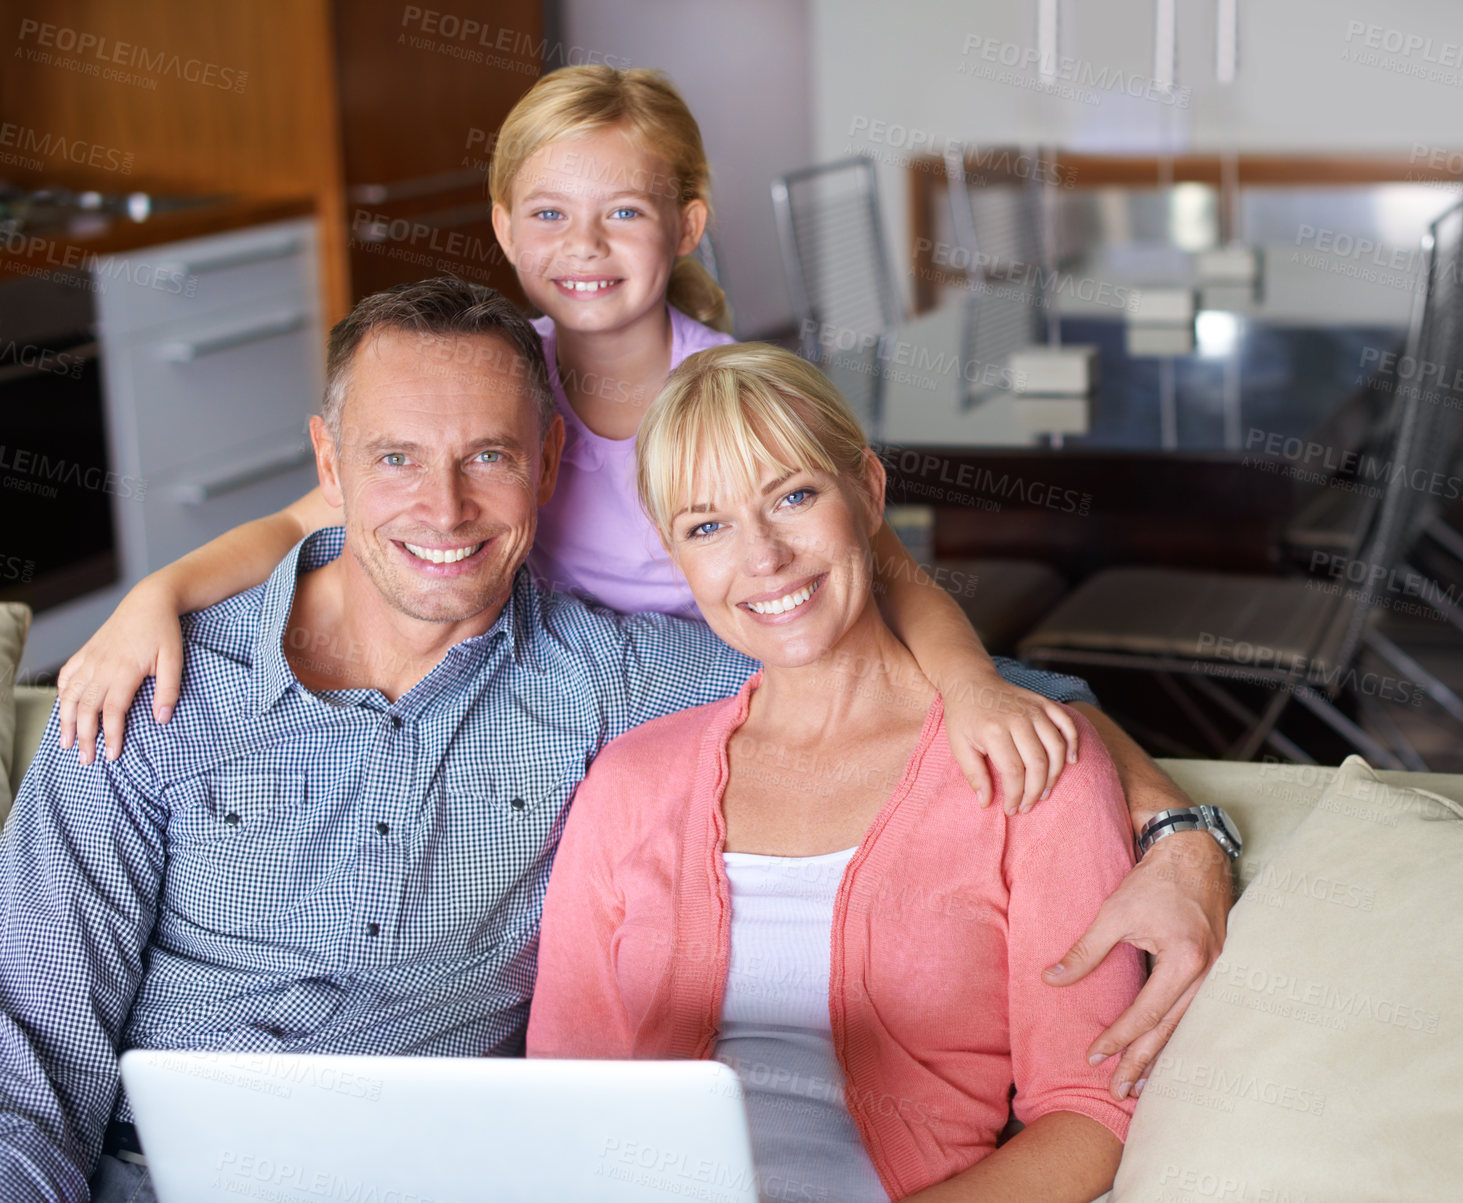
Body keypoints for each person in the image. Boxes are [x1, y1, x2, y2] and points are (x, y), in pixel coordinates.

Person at [54, 62, 1234, 1102]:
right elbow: (298, 523)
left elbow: (886, 601)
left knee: (963, 700)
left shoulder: (717, 401)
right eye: (553, 213)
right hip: (588, 713)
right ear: (507, 230)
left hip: (702, 682)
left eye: (623, 211)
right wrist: (151, 596)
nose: (586, 245)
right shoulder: (485, 383)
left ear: (686, 227)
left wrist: (1083, 763)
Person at [0, 280, 1104, 1203]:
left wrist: (1186, 830)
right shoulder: (148, 691)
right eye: (395, 459)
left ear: (551, 461)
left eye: (488, 456)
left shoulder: (617, 680)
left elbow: (950, 685)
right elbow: (25, 1059)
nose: (444, 509)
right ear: (328, 463)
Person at [530, 344, 1145, 1202]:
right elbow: (560, 1097)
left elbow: (1089, 1109)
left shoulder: (1027, 768)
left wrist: (1190, 839)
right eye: (707, 526)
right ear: (677, 556)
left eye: (793, 496)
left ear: (869, 491)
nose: (764, 557)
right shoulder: (630, 780)